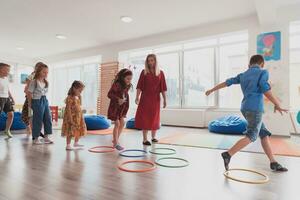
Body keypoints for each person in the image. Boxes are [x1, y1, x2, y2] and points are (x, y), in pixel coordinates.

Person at [206, 54, 288, 172]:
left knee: (263, 134)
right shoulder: (263, 72)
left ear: (249, 65)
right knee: (252, 135)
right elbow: (265, 88)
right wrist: (277, 104)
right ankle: (228, 154)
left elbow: (227, 82)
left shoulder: (243, 75)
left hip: (245, 108)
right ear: (262, 64)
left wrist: (212, 90)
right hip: (255, 109)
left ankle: (273, 162)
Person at [135, 54, 167, 146]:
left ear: (155, 61)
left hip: (156, 99)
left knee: (155, 117)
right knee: (145, 118)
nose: (150, 62)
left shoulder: (160, 73)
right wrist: (137, 97)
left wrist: (165, 99)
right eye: (148, 61)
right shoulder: (144, 72)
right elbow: (139, 86)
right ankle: (145, 139)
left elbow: (163, 88)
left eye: (152, 60)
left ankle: (153, 137)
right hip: (145, 98)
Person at [27, 62, 53, 145]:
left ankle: (46, 137)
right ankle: (36, 138)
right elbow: (29, 93)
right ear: (38, 72)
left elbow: (44, 93)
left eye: (47, 72)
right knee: (38, 120)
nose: (46, 74)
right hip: (37, 101)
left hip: (44, 100)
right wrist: (30, 104)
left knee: (48, 118)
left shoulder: (46, 82)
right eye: (44, 72)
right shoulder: (34, 82)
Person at [107, 69, 132, 150]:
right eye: (127, 78)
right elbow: (109, 94)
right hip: (115, 107)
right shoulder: (117, 84)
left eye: (130, 79)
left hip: (122, 108)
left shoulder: (127, 85)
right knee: (117, 124)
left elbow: (125, 95)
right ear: (122, 77)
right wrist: (118, 99)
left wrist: (124, 104)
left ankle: (115, 140)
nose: (129, 80)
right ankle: (116, 143)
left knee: (122, 123)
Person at [62, 81, 87, 150]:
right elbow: (68, 109)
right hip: (72, 117)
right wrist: (70, 119)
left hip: (78, 117)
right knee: (70, 130)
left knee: (78, 129)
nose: (81, 92)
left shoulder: (78, 97)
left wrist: (82, 113)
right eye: (79, 90)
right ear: (74, 89)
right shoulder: (70, 98)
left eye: (81, 91)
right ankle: (68, 145)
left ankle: (76, 142)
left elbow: (79, 106)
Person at [22, 64, 45, 139]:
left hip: (38, 99)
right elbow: (28, 88)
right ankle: (32, 130)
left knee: (36, 115)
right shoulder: (32, 76)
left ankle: (36, 132)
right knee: (28, 114)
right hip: (31, 98)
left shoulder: (42, 77)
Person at [0, 63, 15, 139]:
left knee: (11, 114)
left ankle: (7, 130)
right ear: (1, 69)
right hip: (0, 98)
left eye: (9, 70)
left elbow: (7, 89)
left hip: (6, 98)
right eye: (7, 70)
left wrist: (11, 97)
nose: (8, 72)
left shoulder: (6, 79)